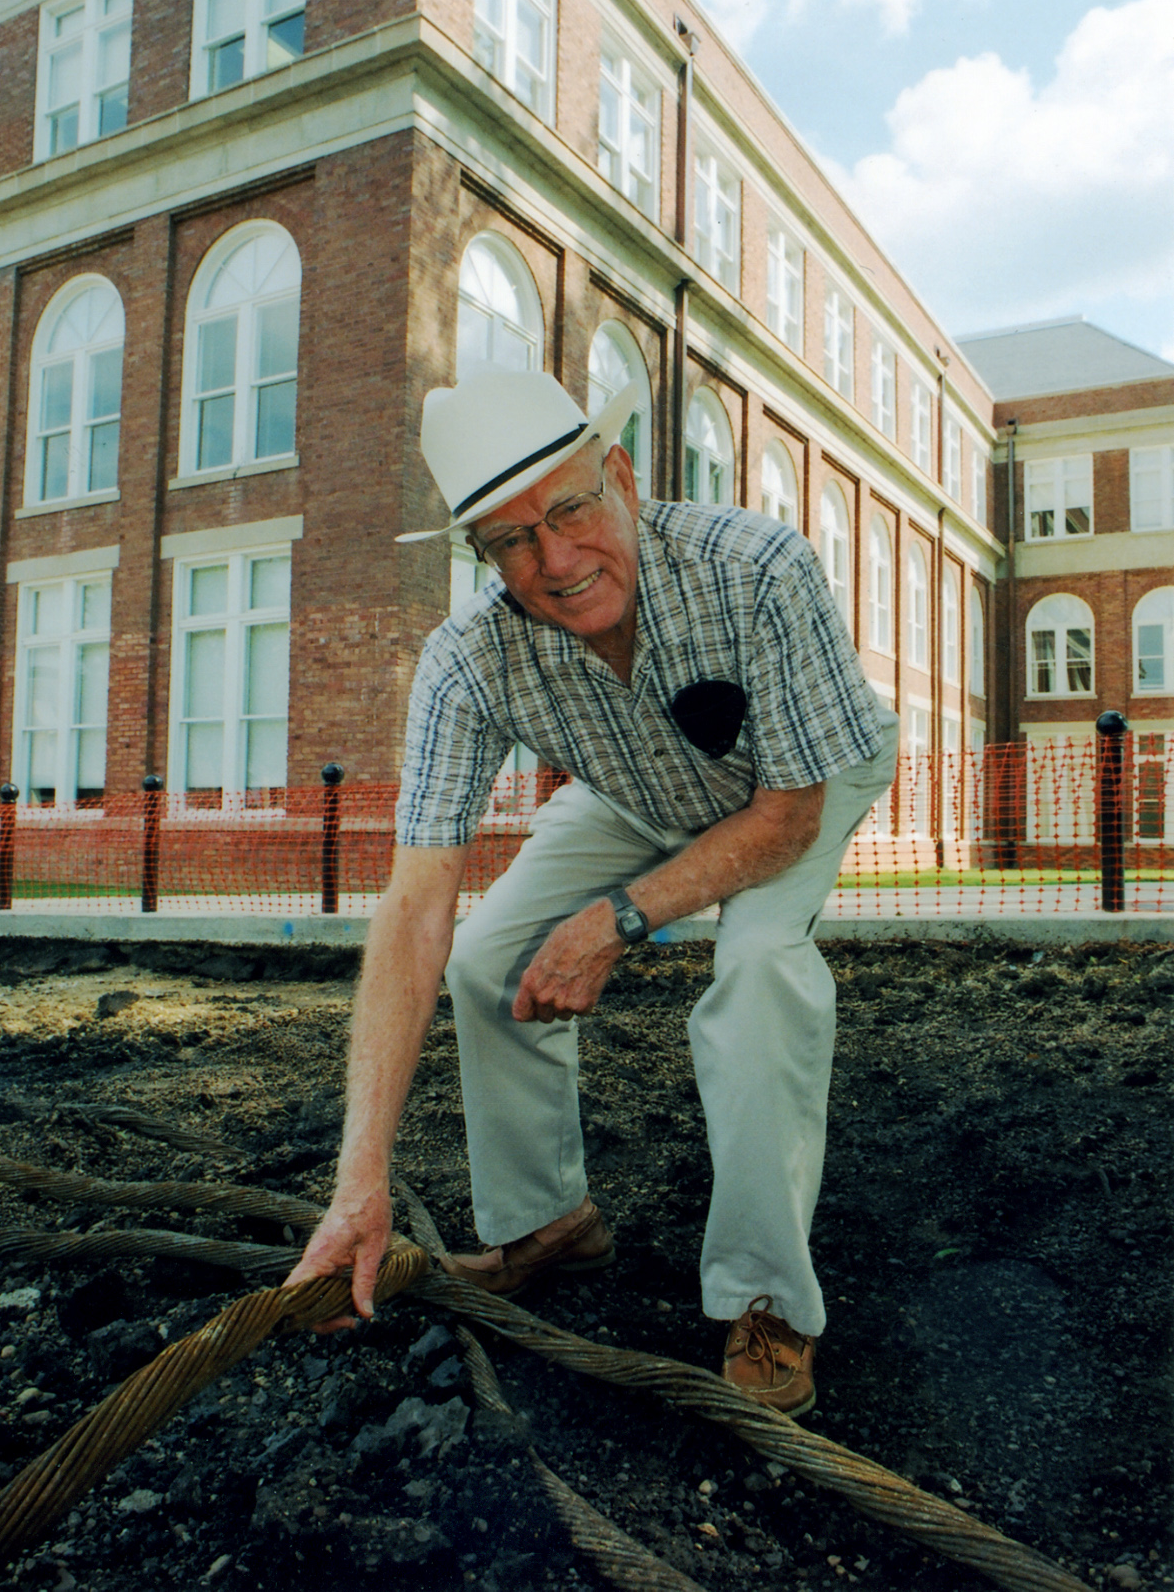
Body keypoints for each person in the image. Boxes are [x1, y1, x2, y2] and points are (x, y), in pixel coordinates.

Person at [286, 366, 898, 1417]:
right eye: (509, 539)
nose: (555, 561)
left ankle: (766, 1297)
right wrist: (358, 1185)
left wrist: (620, 918)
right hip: (634, 790)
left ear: (618, 473)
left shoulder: (753, 568)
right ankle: (548, 1219)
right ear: (479, 553)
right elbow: (417, 902)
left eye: (567, 508)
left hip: (796, 779)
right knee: (487, 959)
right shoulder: (467, 657)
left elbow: (786, 816)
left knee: (756, 968)